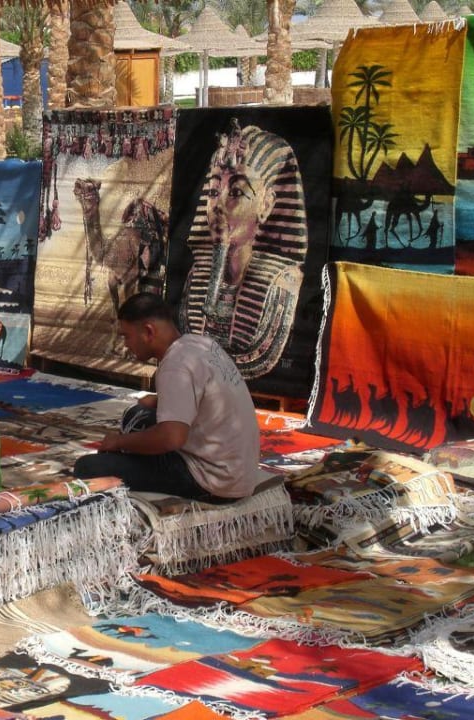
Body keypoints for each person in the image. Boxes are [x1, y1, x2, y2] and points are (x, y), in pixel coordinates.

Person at [74, 292, 261, 502]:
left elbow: (171, 438)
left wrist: (119, 442)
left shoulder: (176, 365)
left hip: (212, 482)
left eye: (126, 336)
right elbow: (202, 396)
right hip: (239, 473)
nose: (126, 345)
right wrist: (157, 401)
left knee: (88, 467)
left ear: (148, 331)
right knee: (138, 415)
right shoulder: (200, 344)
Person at [180, 117, 307, 379]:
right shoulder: (196, 276)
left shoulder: (283, 286)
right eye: (213, 193)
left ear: (266, 205)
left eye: (236, 192)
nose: (218, 206)